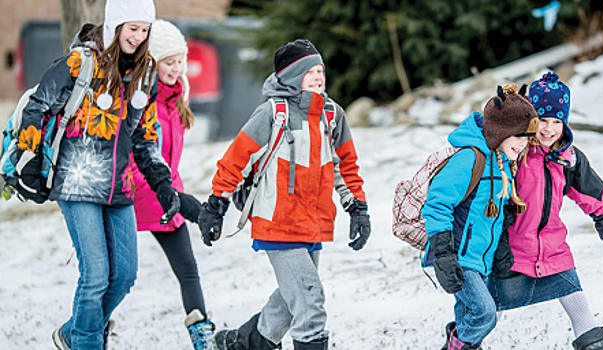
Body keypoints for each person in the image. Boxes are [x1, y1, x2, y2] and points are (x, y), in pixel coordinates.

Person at [10, 0, 179, 349]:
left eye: (145, 29)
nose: (139, 36)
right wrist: (29, 156)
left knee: (125, 276)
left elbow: (146, 137)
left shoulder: (146, 73)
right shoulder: (81, 62)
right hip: (77, 180)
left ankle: (74, 333)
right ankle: (88, 342)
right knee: (96, 276)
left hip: (120, 185)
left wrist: (162, 183)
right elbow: (40, 105)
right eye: (132, 28)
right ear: (115, 26)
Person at [196, 39, 371, 350]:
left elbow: (344, 166)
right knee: (309, 297)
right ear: (292, 76)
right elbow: (235, 159)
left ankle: (251, 341)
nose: (319, 77)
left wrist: (357, 207)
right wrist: (216, 204)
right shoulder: (271, 114)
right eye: (310, 72)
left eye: (321, 71)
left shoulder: (332, 116)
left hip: (313, 223)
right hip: (277, 222)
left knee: (293, 297)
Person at [487, 72, 603, 350]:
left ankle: (593, 345)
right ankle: (461, 341)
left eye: (557, 121)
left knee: (580, 308)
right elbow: (495, 199)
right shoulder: (515, 152)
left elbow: (596, 198)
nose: (549, 129)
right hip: (509, 251)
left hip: (552, 249)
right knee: (486, 315)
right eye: (542, 119)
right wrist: (500, 242)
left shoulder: (569, 159)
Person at [423, 84, 538, 350]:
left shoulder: (502, 163)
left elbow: (493, 216)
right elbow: (437, 204)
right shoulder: (469, 159)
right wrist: (443, 254)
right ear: (501, 132)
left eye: (527, 137)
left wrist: (500, 248)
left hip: (481, 260)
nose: (523, 144)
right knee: (485, 315)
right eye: (519, 136)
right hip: (460, 257)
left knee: (468, 318)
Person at [129, 19, 215, 350]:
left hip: (168, 195)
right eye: (169, 61)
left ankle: (202, 336)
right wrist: (179, 198)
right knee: (116, 277)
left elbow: (167, 162)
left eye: (180, 60)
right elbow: (139, 158)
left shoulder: (176, 102)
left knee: (188, 271)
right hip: (137, 195)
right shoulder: (141, 103)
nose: (177, 68)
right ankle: (94, 332)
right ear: (150, 63)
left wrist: (177, 195)